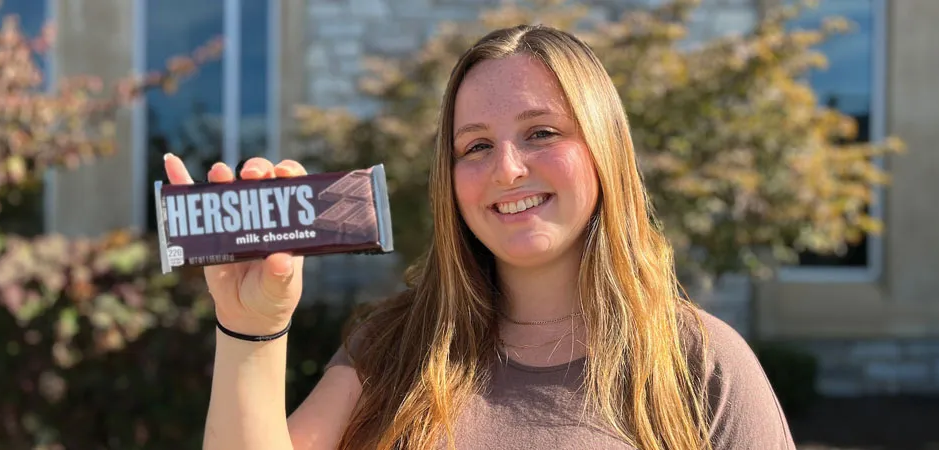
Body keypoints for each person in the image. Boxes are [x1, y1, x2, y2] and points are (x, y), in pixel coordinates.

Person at [164, 24, 796, 450]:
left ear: (604, 149)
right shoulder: (392, 349)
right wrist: (251, 327)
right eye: (476, 146)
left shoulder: (699, 363)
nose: (508, 169)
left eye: (542, 133)